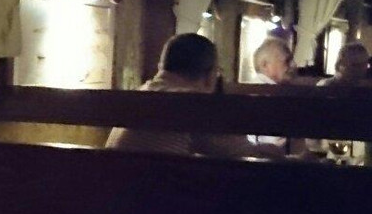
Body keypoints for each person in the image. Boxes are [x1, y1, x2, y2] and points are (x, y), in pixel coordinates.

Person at [106, 33, 282, 158]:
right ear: (210, 74)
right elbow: (240, 150)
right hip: (153, 196)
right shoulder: (192, 102)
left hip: (113, 192)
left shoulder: (141, 93)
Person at [248, 37, 294, 149]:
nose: (293, 65)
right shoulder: (264, 93)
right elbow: (275, 142)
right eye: (286, 61)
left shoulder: (254, 88)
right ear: (265, 65)